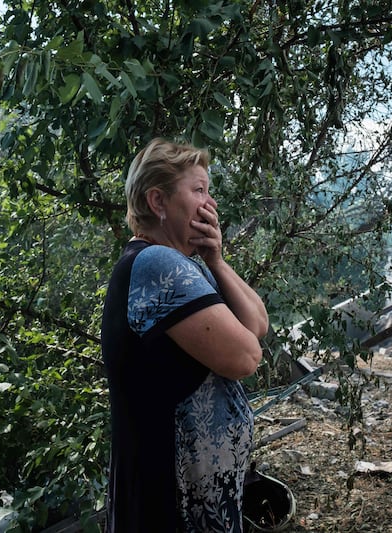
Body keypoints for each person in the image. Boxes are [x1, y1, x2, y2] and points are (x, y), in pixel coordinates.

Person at [100, 138, 269, 532]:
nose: (209, 204)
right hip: (169, 505)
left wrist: (217, 260)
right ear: (158, 202)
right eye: (198, 190)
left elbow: (257, 324)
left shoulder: (184, 266)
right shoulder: (156, 264)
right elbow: (246, 357)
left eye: (208, 191)